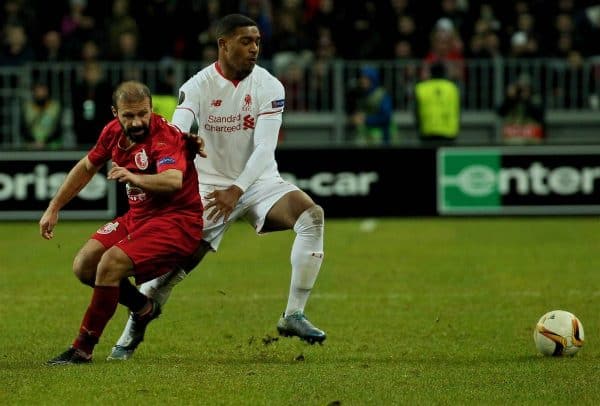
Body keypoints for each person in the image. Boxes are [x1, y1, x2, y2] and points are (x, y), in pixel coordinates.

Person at [108, 14, 326, 361]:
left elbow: (265, 149)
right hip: (207, 188)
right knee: (173, 273)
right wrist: (183, 143)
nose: (254, 48)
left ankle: (293, 315)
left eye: (257, 41)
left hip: (257, 181)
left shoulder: (270, 85)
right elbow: (177, 131)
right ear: (223, 44)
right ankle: (131, 332)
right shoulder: (197, 86)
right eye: (245, 41)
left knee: (311, 216)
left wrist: (238, 189)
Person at [40, 81, 204, 365]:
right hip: (138, 218)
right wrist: (54, 207)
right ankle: (143, 307)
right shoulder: (112, 132)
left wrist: (135, 177)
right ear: (115, 113)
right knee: (84, 266)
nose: (138, 121)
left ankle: (82, 348)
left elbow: (173, 180)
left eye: (143, 113)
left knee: (109, 264)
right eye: (129, 115)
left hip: (176, 222)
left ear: (151, 109)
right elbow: (87, 166)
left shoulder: (164, 137)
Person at [347, 66, 395, 146]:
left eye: (366, 78)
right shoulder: (361, 95)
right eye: (361, 78)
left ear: (373, 79)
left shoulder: (382, 95)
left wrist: (365, 119)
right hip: (367, 139)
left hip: (382, 139)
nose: (362, 81)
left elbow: (386, 117)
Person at [414, 62, 460, 143]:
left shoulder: (421, 88)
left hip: (427, 130)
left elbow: (416, 111)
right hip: (449, 131)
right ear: (444, 72)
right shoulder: (452, 87)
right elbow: (457, 109)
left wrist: (418, 128)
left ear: (431, 72)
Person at [497, 73, 545, 144]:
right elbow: (500, 112)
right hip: (513, 137)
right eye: (520, 88)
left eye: (526, 87)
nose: (523, 90)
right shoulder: (512, 100)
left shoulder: (535, 99)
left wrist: (527, 100)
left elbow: (539, 116)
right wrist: (509, 99)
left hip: (531, 138)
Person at [22, 80, 62, 150]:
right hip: (31, 147)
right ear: (34, 92)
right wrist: (34, 142)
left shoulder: (55, 107)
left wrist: (45, 142)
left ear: (47, 92)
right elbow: (23, 128)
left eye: (43, 91)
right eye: (38, 91)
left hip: (52, 147)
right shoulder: (27, 107)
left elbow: (58, 129)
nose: (40, 94)